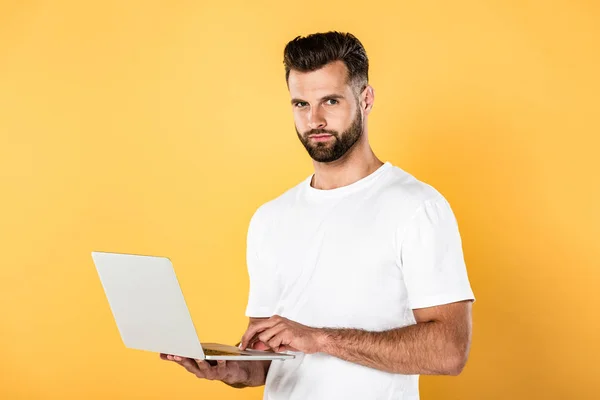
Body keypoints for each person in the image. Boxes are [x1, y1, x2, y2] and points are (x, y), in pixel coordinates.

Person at [161, 31, 475, 399]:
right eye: (301, 104)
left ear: (366, 99)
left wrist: (321, 338)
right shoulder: (270, 218)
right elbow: (266, 357)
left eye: (330, 100)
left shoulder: (418, 207)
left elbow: (450, 351)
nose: (315, 119)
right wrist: (233, 368)